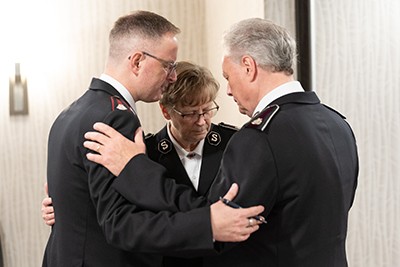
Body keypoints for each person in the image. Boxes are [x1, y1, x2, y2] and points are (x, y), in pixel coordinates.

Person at [83, 18, 359, 266]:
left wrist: (134, 168)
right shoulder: (338, 125)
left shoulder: (258, 138)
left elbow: (215, 219)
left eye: (228, 76)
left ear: (249, 67)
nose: (228, 89)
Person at [42, 11, 264, 267]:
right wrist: (209, 224)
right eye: (168, 65)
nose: (172, 76)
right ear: (137, 61)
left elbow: (85, 203)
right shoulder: (116, 119)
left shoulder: (70, 114)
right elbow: (120, 222)